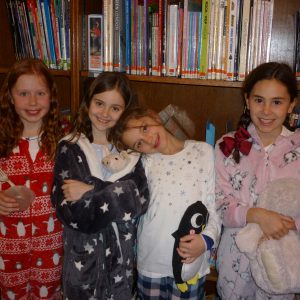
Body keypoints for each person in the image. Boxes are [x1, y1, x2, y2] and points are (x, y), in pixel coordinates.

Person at [51, 72, 149, 299]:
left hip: (121, 265)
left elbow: (138, 201)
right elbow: (73, 213)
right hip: (83, 263)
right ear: (88, 102)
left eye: (115, 108)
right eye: (99, 103)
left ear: (125, 111)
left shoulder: (131, 152)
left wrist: (90, 190)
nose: (105, 113)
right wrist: (117, 198)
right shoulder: (70, 148)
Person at [109, 107, 221, 299]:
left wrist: (206, 240)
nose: (149, 140)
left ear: (153, 116)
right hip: (151, 263)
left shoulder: (203, 151)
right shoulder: (144, 162)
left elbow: (215, 205)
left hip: (190, 264)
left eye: (145, 128)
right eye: (139, 143)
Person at [215, 62, 300, 300]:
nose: (266, 111)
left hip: (282, 270)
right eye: (259, 100)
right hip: (235, 268)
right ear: (247, 99)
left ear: (291, 104)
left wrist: (287, 223)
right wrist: (258, 215)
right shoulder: (227, 145)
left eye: (277, 102)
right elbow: (219, 204)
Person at [0, 58, 65, 299]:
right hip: (7, 247)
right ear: (10, 97)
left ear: (51, 96)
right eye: (24, 93)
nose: (33, 102)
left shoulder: (64, 141)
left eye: (40, 93)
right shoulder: (2, 140)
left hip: (51, 246)